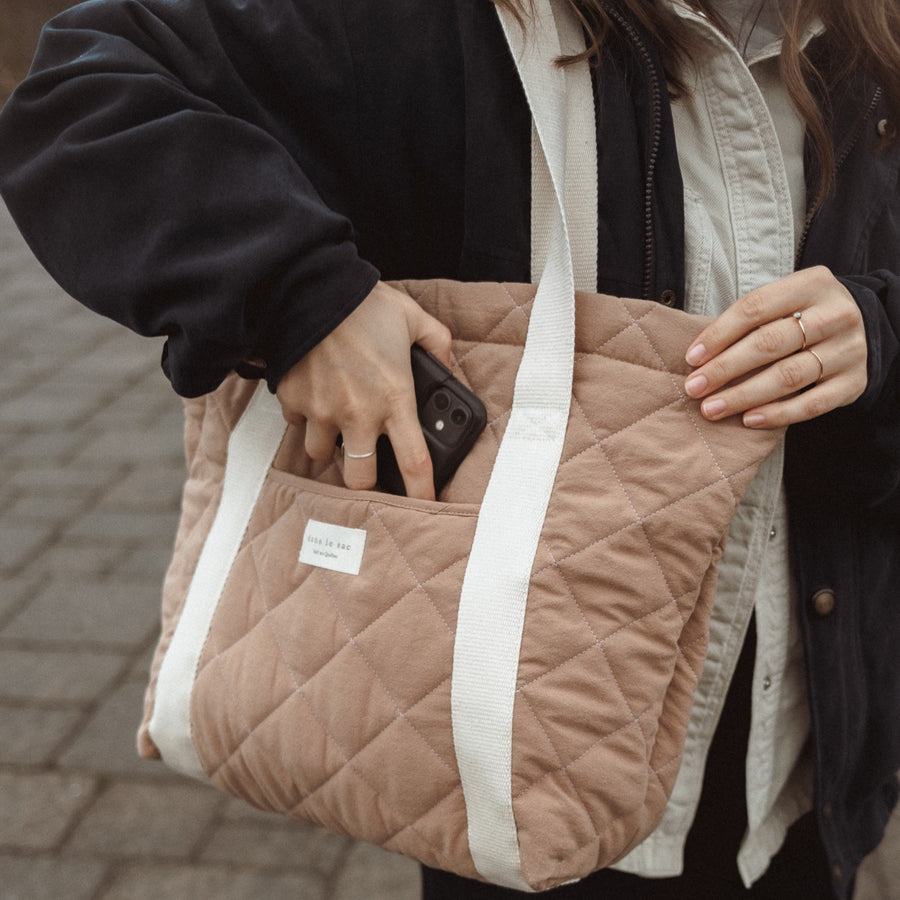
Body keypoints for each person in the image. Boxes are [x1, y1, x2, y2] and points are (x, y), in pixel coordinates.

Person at [0, 0, 897, 897]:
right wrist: (305, 302)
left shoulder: (866, 43)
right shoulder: (437, 24)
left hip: (807, 749)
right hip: (505, 757)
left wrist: (879, 325)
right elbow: (83, 90)